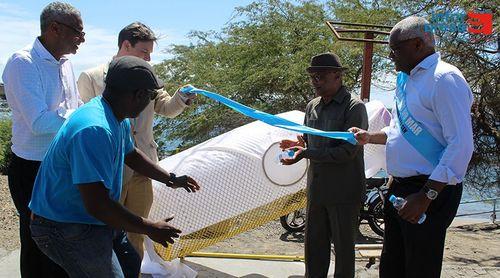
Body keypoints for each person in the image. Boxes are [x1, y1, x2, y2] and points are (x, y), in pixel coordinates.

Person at [28, 55, 200, 277]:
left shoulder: (117, 116)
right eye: (151, 96)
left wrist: (170, 179)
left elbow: (131, 155)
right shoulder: (94, 129)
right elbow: (98, 204)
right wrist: (150, 228)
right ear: (138, 95)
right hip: (62, 225)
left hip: (90, 218)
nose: (150, 101)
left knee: (130, 264)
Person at [349, 16, 474, 278]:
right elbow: (398, 131)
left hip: (429, 189)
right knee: (393, 266)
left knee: (419, 267)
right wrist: (369, 137)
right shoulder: (407, 81)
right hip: (402, 188)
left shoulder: (444, 79)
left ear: (417, 44)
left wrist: (426, 196)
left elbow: (461, 145)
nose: (391, 57)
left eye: (395, 49)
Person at [77, 22, 194, 259]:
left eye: (150, 54)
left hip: (143, 167)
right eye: (144, 52)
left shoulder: (149, 76)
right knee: (107, 230)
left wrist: (181, 97)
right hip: (112, 170)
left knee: (137, 233)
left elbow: (166, 108)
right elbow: (91, 126)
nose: (148, 59)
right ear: (126, 45)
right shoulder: (91, 77)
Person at [2, 2, 85, 277]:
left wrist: (74, 113)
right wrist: (80, 117)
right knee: (38, 242)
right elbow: (38, 122)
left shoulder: (66, 63)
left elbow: (75, 105)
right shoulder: (22, 63)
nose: (82, 40)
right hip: (32, 169)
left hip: (61, 165)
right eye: (77, 32)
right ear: (54, 29)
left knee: (62, 241)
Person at [280, 53, 368, 278]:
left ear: (337, 76)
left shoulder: (354, 108)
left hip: (344, 192)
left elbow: (347, 151)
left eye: (320, 76)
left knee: (343, 254)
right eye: (312, 76)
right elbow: (309, 139)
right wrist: (298, 144)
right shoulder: (312, 106)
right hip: (317, 191)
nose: (315, 81)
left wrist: (306, 152)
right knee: (314, 251)